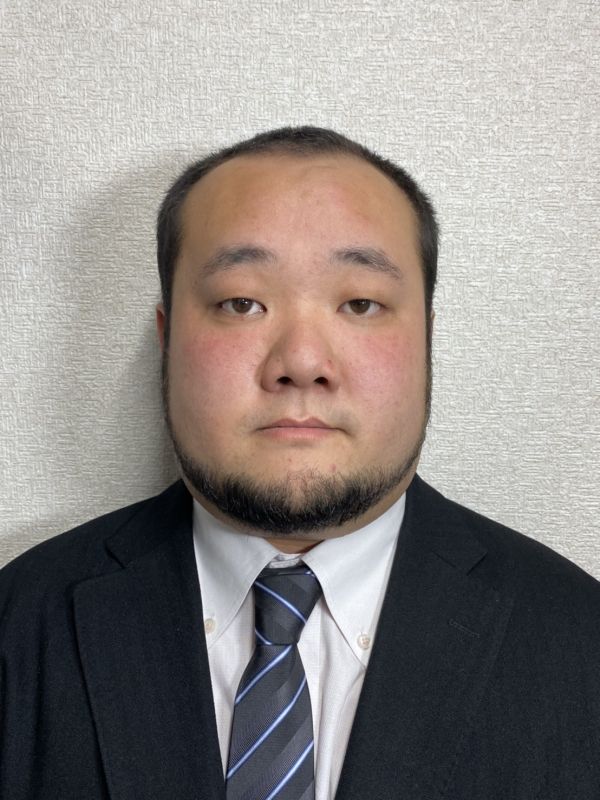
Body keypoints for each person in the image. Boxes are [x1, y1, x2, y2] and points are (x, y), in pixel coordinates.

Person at [1, 126, 599, 800]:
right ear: (167, 340)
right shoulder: (19, 628)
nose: (303, 363)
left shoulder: (580, 645)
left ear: (427, 338)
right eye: (242, 303)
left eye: (361, 303)